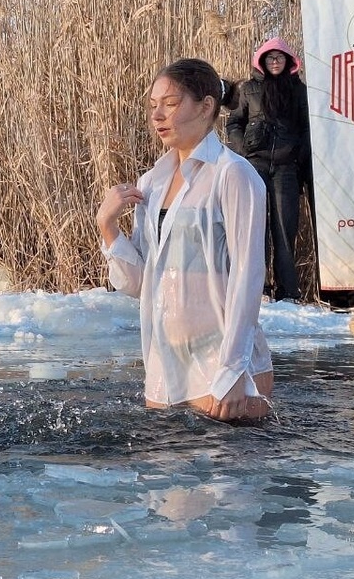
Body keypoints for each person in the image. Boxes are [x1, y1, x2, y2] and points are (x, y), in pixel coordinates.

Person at [96, 58, 273, 421]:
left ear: (206, 106)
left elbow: (248, 276)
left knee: (228, 458)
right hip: (165, 365)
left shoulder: (233, 175)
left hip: (222, 362)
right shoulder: (151, 183)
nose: (157, 115)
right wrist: (107, 227)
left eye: (171, 103)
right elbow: (142, 284)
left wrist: (233, 370)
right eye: (153, 105)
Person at [225, 37, 311, 302]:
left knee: (285, 228)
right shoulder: (248, 89)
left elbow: (307, 127)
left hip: (286, 169)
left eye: (280, 57)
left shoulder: (298, 89)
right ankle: (259, 287)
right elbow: (234, 123)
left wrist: (298, 155)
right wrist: (243, 150)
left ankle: (288, 291)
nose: (275, 62)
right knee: (256, 227)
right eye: (270, 57)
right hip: (255, 166)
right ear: (262, 60)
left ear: (288, 61)